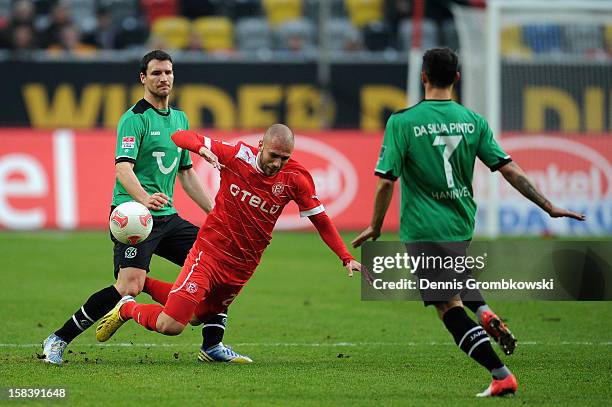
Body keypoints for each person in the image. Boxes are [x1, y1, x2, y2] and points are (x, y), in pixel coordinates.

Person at [351, 48, 585, 397]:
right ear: (457, 78)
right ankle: (486, 310)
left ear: (423, 77)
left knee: (448, 307)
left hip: (423, 228)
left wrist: (375, 224)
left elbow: (386, 179)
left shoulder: (402, 121)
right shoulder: (473, 121)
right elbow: (509, 168)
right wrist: (548, 205)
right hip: (461, 222)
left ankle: (500, 374)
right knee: (455, 278)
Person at [42, 50, 249, 365]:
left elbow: (186, 173)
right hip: (134, 216)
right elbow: (123, 169)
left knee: (219, 267)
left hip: (168, 219)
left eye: (168, 72)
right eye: (156, 73)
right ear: (143, 78)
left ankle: (212, 346)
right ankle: (58, 338)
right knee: (129, 286)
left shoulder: (180, 119)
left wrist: (215, 212)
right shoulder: (134, 118)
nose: (163, 78)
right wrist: (143, 198)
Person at [95, 124, 363, 357]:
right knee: (172, 325)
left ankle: (143, 285)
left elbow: (322, 220)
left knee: (199, 314)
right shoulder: (237, 156)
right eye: (273, 155)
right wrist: (201, 149)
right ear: (261, 146)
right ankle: (128, 308)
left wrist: (346, 256)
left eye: (284, 158)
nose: (277, 164)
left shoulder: (296, 178)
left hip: (243, 265)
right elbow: (180, 136)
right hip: (210, 252)